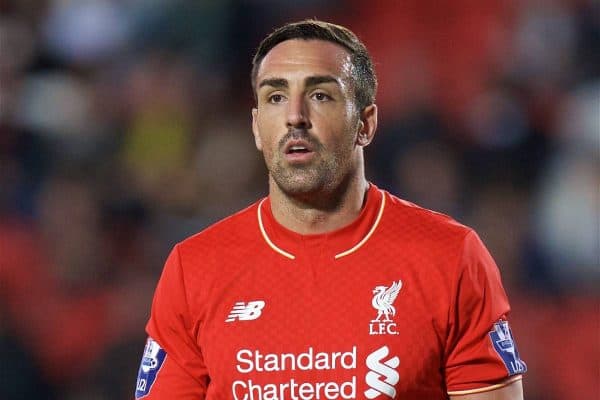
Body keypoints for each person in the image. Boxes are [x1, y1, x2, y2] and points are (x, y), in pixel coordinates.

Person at [134, 19, 526, 400]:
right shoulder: (195, 269)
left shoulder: (451, 258)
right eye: (275, 97)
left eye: (320, 95)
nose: (295, 117)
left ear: (366, 124)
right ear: (256, 126)